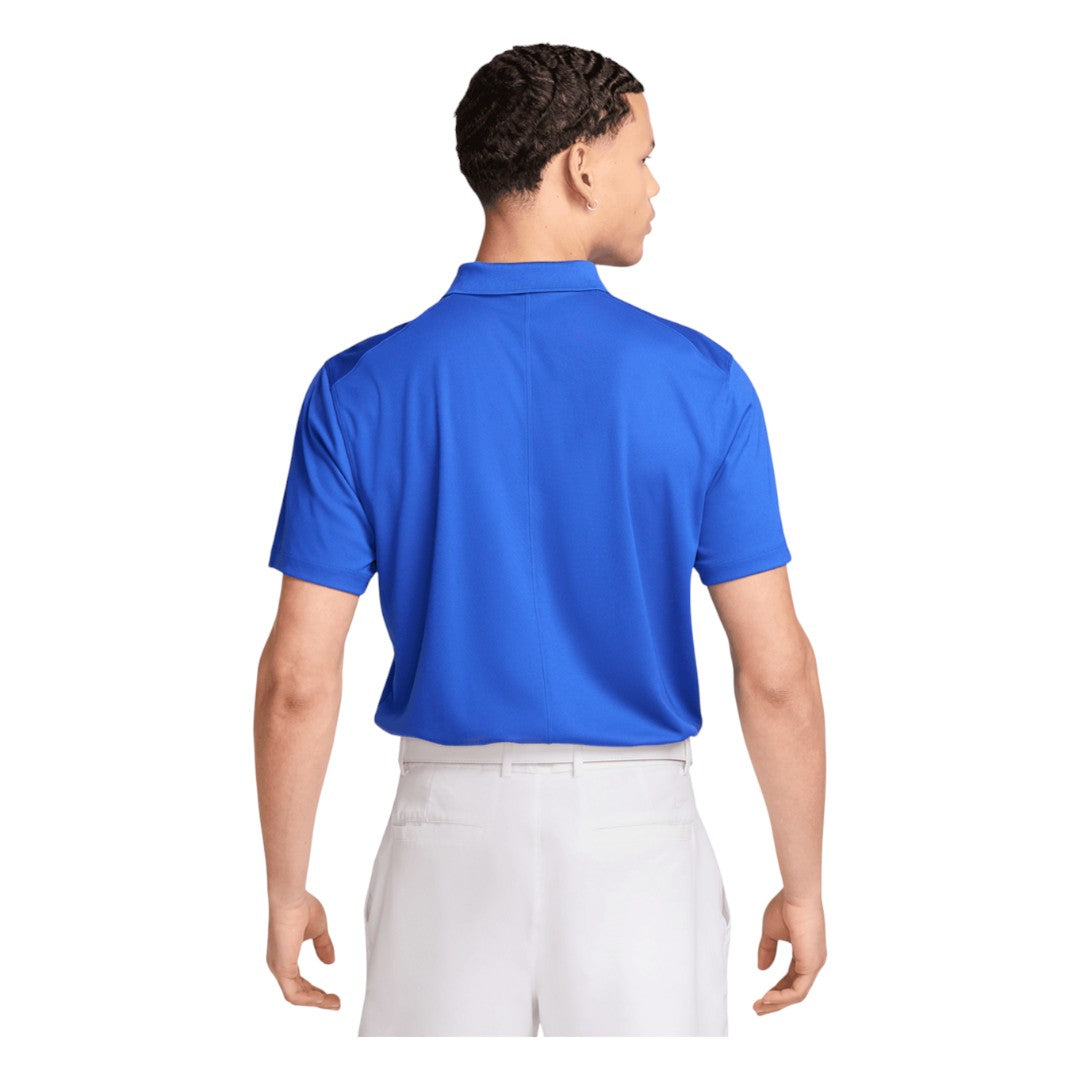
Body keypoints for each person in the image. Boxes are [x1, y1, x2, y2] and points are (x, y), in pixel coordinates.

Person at [254, 42, 826, 1037]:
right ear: (581, 165)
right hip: (638, 840)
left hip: (443, 833)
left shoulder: (357, 390)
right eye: (645, 156)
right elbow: (775, 673)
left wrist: (285, 886)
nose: (655, 185)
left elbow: (298, 677)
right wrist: (804, 883)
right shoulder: (701, 383)